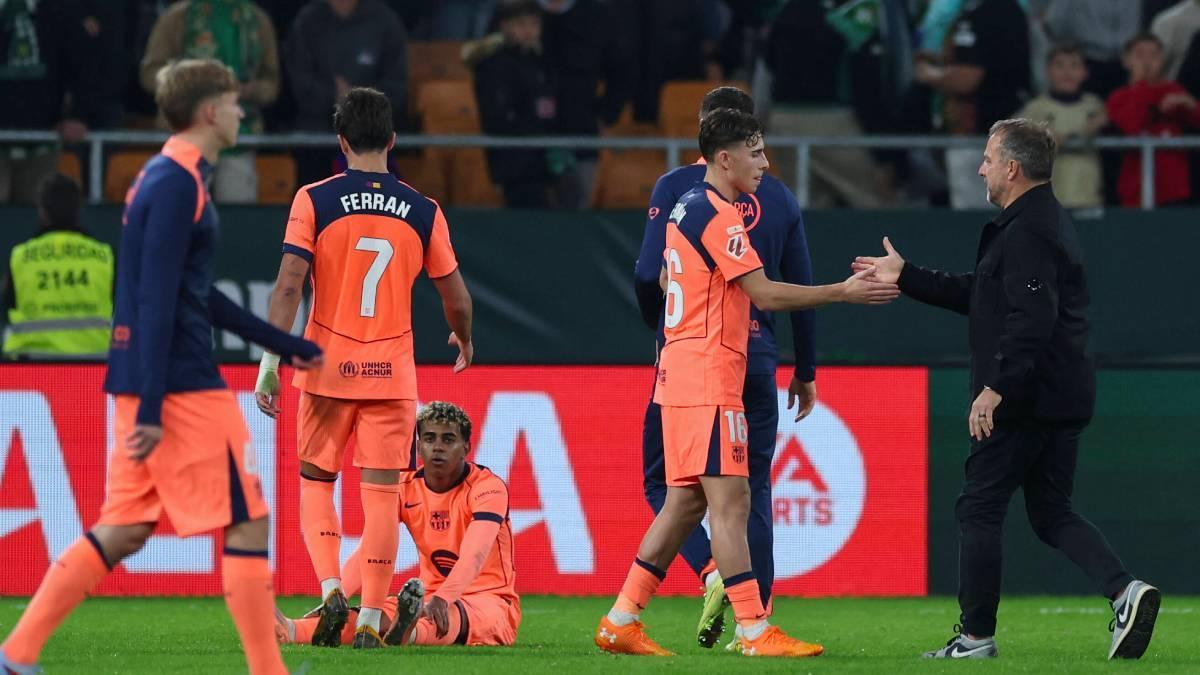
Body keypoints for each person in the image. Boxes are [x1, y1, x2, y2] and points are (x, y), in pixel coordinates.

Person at [0, 58, 323, 675]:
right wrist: (152, 404)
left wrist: (282, 342)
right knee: (249, 520)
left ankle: (16, 655)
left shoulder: (166, 176)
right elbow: (157, 300)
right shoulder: (176, 183)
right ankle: (268, 670)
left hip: (146, 381)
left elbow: (184, 290)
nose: (239, 112)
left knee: (124, 528)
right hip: (178, 387)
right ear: (207, 112)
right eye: (231, 103)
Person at [594, 108, 899, 658]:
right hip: (710, 373)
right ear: (725, 157)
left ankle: (621, 619)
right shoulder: (719, 216)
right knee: (731, 504)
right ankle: (756, 630)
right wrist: (842, 292)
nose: (765, 162)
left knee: (684, 502)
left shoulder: (684, 204)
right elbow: (766, 294)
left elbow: (661, 277)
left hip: (681, 367)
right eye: (755, 152)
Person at [852, 118, 1159, 660]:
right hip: (1059, 392)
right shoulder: (1036, 224)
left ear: (1012, 168)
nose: (981, 168)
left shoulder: (1029, 231)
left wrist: (995, 387)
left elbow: (1030, 319)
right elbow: (987, 296)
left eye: (989, 159)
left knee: (981, 507)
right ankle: (1124, 590)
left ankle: (974, 639)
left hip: (1026, 396)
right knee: (1051, 511)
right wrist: (907, 275)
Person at [254, 87, 474, 649]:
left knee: (315, 483)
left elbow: (288, 284)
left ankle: (332, 589)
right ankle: (372, 619)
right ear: (393, 141)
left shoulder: (314, 199)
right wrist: (463, 337)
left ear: (342, 141)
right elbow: (457, 297)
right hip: (392, 375)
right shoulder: (423, 209)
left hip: (325, 370)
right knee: (380, 497)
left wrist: (270, 360)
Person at [632, 86, 816, 650]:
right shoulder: (775, 199)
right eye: (753, 148)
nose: (760, 160)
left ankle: (715, 585)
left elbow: (648, 274)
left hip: (691, 360)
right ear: (730, 146)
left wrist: (663, 335)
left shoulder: (677, 191)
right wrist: (805, 368)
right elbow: (788, 284)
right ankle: (751, 618)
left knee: (671, 486)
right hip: (745, 363)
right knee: (744, 494)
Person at [274, 401, 520, 648]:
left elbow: (474, 555)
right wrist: (338, 596)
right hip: (428, 596)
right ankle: (291, 630)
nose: (437, 448)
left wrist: (445, 598)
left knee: (447, 617)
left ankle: (407, 632)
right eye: (429, 438)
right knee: (371, 617)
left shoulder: (488, 488)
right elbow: (371, 548)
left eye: (448, 440)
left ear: (466, 446)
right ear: (418, 445)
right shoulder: (405, 486)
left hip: (491, 600)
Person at [140, 0, 281, 203]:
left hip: (240, 136)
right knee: (180, 208)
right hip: (185, 134)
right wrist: (188, 82)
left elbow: (272, 84)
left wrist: (251, 90)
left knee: (239, 214)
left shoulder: (257, 20)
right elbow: (150, 72)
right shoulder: (179, 16)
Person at [286, 0, 408, 185]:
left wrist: (356, 101)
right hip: (315, 139)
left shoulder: (385, 22)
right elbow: (298, 82)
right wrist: (334, 96)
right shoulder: (307, 21)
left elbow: (396, 86)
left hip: (371, 140)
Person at [2, 173, 114, 359]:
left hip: (29, 365)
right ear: (78, 210)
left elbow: (7, 308)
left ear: (43, 212)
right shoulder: (105, 256)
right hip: (95, 363)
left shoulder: (20, 257)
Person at [470, 0, 561, 208]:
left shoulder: (542, 62)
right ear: (505, 26)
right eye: (521, 24)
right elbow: (497, 118)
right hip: (513, 162)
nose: (529, 31)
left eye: (534, 24)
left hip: (543, 161)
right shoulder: (494, 66)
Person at [1106, 32, 1200, 207]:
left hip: (1173, 188)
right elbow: (1131, 127)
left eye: (1154, 55)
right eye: (1140, 55)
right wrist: (1141, 85)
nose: (1147, 61)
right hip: (1134, 188)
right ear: (1126, 60)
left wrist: (1191, 104)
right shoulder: (1118, 97)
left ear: (1162, 60)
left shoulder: (1173, 90)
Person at [1017, 45, 1107, 208]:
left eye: (1074, 65)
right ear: (1047, 71)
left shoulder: (1095, 106)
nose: (1067, 72)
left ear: (1085, 72)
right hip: (1047, 201)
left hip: (1089, 197)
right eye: (1059, 65)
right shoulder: (1034, 109)